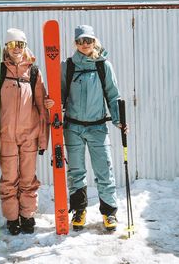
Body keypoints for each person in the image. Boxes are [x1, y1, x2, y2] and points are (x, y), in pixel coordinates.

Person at [45, 25, 128, 231]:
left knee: (104, 170)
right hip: (72, 126)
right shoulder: (68, 66)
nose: (85, 45)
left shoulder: (103, 65)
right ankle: (79, 211)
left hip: (97, 127)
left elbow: (113, 95)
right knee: (76, 172)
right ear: (75, 43)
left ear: (94, 41)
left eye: (88, 41)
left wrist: (119, 120)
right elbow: (59, 95)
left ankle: (109, 213)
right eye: (81, 41)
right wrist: (51, 104)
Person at [0, 28, 49, 235]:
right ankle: (12, 218)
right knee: (8, 180)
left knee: (28, 179)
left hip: (29, 136)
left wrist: (43, 139)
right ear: (6, 47)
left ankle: (27, 216)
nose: (17, 49)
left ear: (25, 46)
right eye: (12, 44)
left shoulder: (33, 72)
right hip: (5, 136)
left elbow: (42, 106)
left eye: (20, 44)